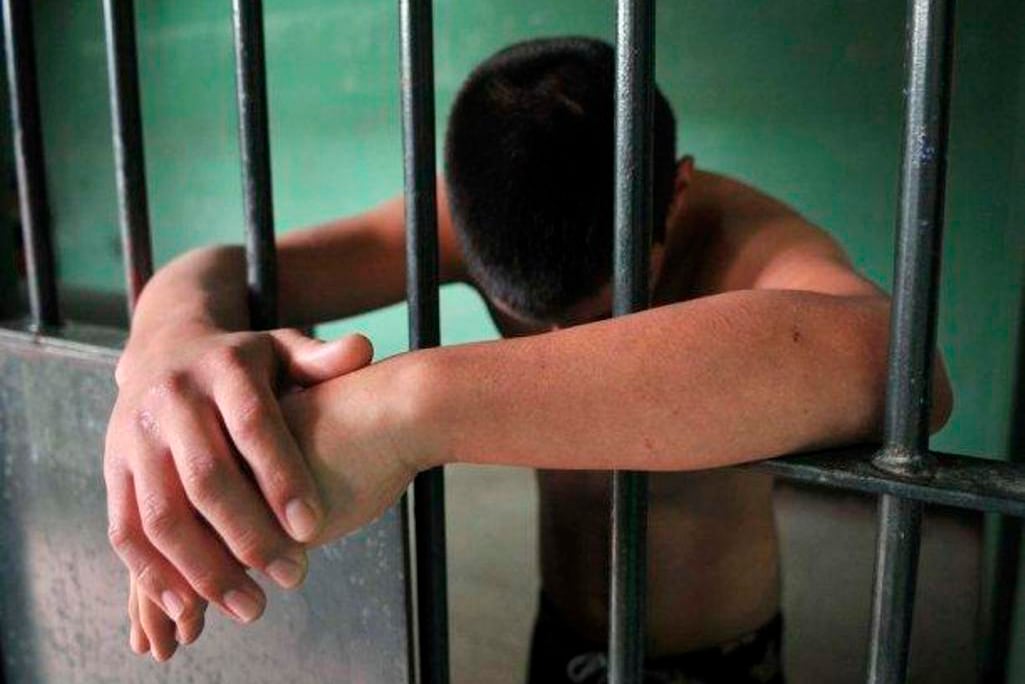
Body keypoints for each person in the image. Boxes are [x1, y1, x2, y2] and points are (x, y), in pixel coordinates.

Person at [103, 37, 952, 683]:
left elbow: (902, 366)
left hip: (715, 654)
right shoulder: (474, 208)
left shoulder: (741, 238)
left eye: (603, 311)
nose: (557, 346)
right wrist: (165, 342)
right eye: (524, 317)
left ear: (677, 191)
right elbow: (232, 269)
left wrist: (406, 410)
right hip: (559, 627)